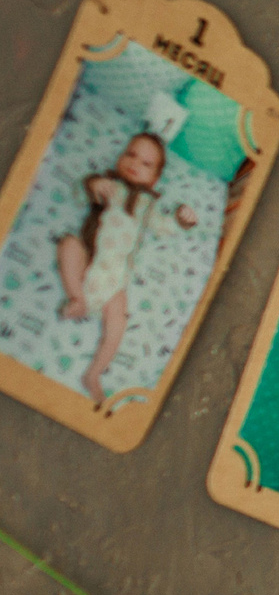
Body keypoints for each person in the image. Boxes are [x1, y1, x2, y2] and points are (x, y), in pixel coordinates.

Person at [54, 130, 198, 405]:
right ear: (120, 158)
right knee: (69, 245)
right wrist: (92, 184)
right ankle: (77, 296)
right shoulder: (109, 185)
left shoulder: (148, 205)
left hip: (114, 284)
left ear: (155, 179)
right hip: (89, 263)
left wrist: (181, 220)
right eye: (131, 154)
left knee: (119, 319)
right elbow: (77, 194)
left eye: (146, 164)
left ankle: (94, 373)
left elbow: (164, 227)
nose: (135, 163)